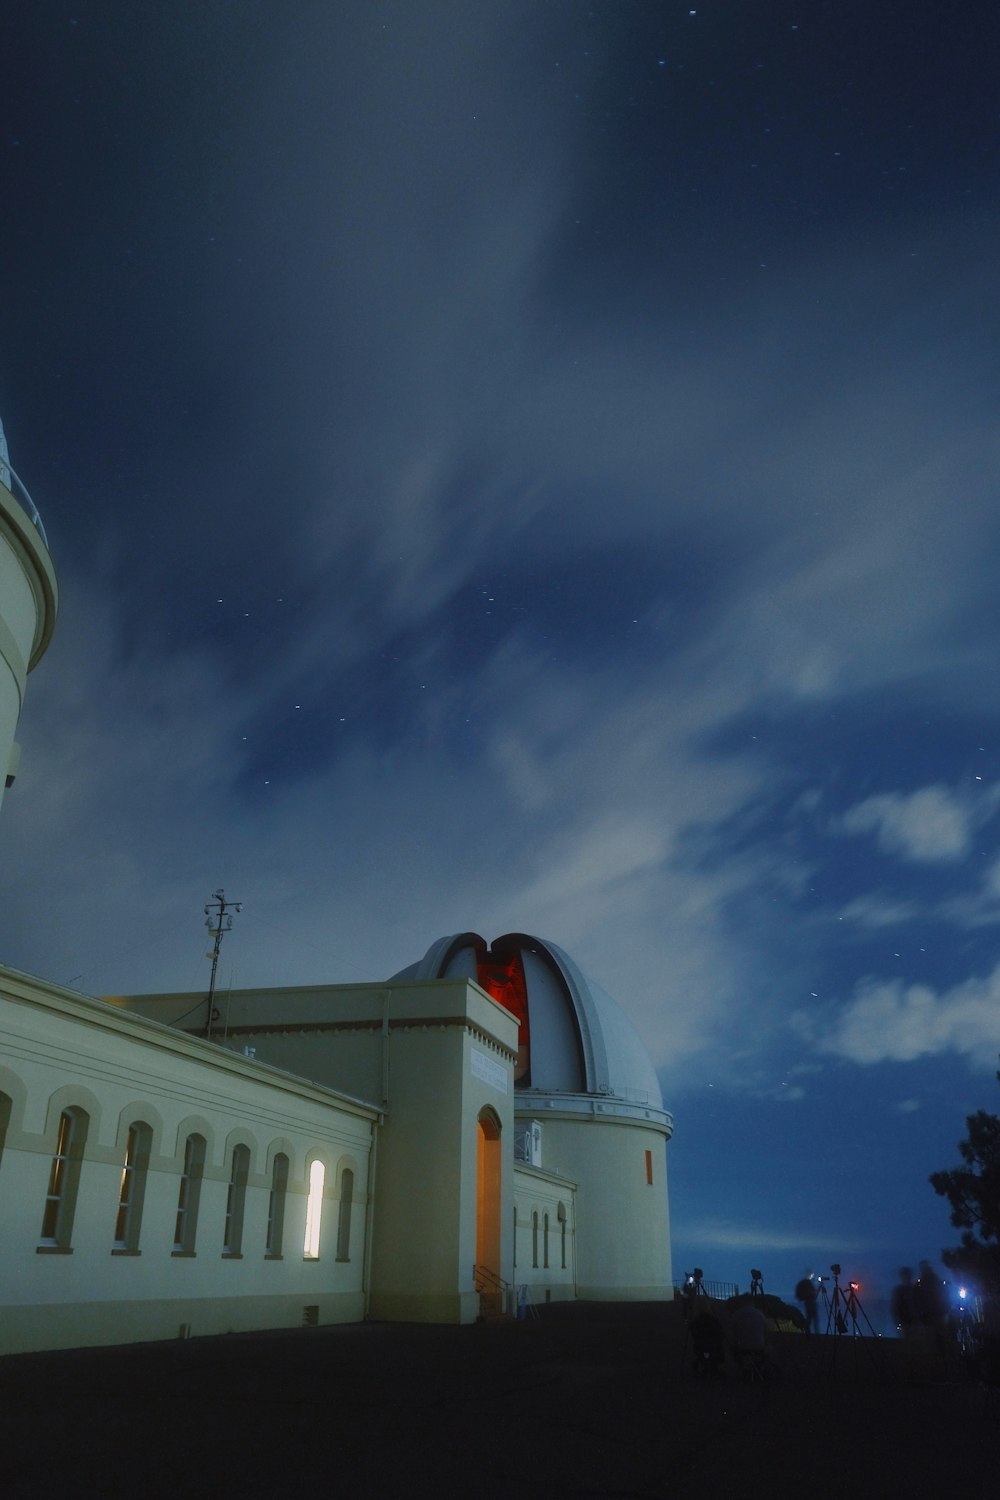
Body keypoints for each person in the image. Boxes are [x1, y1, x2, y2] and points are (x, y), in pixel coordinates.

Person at [891, 1267, 916, 1339]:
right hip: (906, 1321)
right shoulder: (913, 1290)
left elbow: (895, 1307)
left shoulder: (899, 1290)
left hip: (910, 1321)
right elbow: (895, 1307)